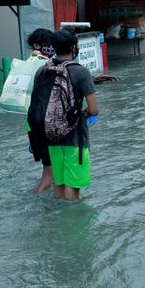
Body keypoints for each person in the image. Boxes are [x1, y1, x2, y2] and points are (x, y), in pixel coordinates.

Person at [28, 29, 99, 202]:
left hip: (50, 138)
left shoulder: (42, 71)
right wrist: (81, 114)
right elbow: (94, 109)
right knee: (72, 187)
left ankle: (56, 222)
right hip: (75, 139)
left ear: (53, 47)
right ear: (74, 47)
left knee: (59, 185)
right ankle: (73, 225)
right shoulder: (81, 72)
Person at [25, 28, 55, 193]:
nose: (51, 48)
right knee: (49, 173)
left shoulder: (27, 63)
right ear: (37, 45)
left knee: (49, 168)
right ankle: (37, 200)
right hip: (44, 121)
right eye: (48, 44)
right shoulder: (41, 64)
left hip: (32, 121)